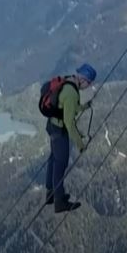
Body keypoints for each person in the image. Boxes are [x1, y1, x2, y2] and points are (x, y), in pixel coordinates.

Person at [44, 63, 96, 213]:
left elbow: (70, 107)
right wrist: (80, 144)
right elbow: (69, 123)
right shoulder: (72, 92)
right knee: (61, 163)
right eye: (89, 83)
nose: (88, 86)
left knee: (53, 159)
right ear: (84, 79)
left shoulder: (69, 82)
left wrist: (84, 107)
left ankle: (51, 193)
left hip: (52, 125)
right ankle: (59, 201)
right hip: (59, 130)